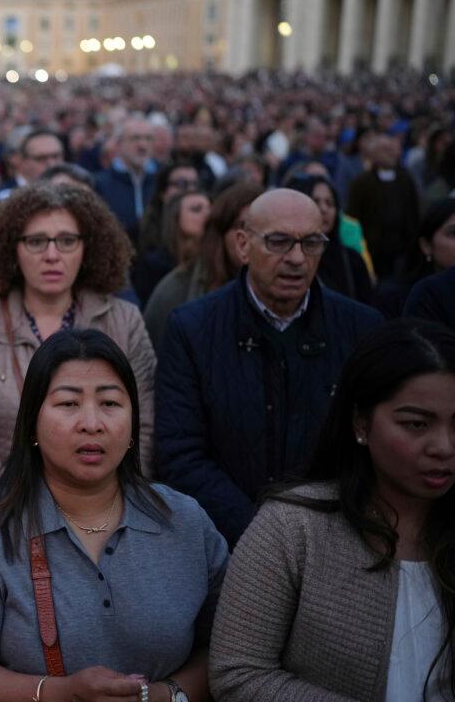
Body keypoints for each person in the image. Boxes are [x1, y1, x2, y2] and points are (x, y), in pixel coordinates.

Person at [0, 330, 228, 702]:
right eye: (68, 404)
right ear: (32, 424)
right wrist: (59, 693)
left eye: (110, 404)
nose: (91, 423)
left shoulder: (184, 521)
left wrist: (166, 696)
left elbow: (231, 647)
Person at [210, 319, 455, 700]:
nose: (443, 446)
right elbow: (238, 672)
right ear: (361, 423)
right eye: (416, 424)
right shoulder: (292, 528)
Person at [156, 188, 383, 546]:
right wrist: (260, 532)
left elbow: (374, 446)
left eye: (311, 243)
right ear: (243, 245)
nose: (297, 258)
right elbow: (180, 454)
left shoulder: (361, 328)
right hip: (226, 543)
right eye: (279, 242)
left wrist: (325, 527)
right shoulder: (192, 329)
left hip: (336, 541)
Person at [0, 185, 158, 507]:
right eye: (36, 241)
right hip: (5, 513)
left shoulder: (125, 321)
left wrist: (100, 503)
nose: (52, 255)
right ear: (11, 249)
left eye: (67, 241)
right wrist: (18, 506)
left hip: (107, 510)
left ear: (88, 248)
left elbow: (145, 427)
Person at [143, 182, 261, 352]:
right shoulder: (175, 290)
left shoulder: (295, 287)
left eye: (262, 228)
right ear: (221, 234)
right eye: (243, 227)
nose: (250, 238)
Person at [284, 174, 374, 304]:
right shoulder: (290, 259)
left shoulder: (352, 260)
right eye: (316, 201)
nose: (324, 209)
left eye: (330, 203)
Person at [346, 134, 420, 282]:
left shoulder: (405, 179)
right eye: (385, 150)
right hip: (373, 251)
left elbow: (414, 213)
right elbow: (353, 216)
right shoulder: (361, 183)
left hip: (402, 251)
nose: (391, 153)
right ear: (373, 155)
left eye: (392, 149)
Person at [133, 188, 211, 308]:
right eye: (196, 209)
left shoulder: (215, 262)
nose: (208, 214)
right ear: (175, 217)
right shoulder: (152, 265)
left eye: (210, 208)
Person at [94, 117, 158, 244]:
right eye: (135, 138)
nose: (142, 145)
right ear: (118, 144)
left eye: (148, 138)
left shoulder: (163, 178)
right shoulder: (99, 183)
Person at [0, 129, 65, 200]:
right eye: (41, 158)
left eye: (56, 156)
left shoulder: (71, 188)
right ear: (22, 160)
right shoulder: (5, 197)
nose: (51, 164)